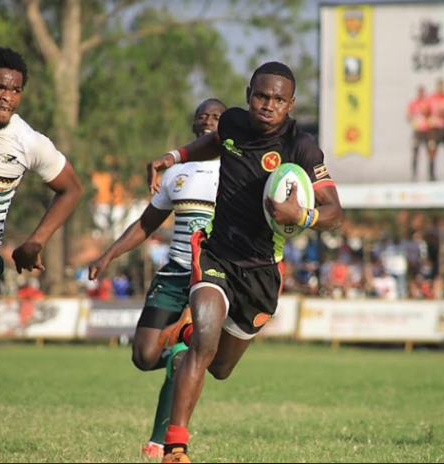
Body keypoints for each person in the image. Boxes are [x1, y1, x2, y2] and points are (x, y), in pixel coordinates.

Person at [147, 62, 343, 463]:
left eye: (278, 100)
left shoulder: (302, 147)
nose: (268, 105)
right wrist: (175, 156)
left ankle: (187, 337)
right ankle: (175, 448)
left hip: (262, 272)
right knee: (205, 342)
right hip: (217, 253)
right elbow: (215, 142)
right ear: (248, 94)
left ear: (291, 104)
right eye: (261, 96)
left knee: (220, 367)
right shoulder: (233, 122)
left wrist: (302, 215)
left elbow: (335, 211)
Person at [88, 99, 226, 459]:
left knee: (183, 360)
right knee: (144, 355)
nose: (209, 120)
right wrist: (108, 255)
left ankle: (161, 440)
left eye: (217, 117)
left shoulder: (234, 171)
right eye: (203, 116)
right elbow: (147, 224)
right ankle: (182, 347)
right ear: (194, 126)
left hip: (209, 279)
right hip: (173, 274)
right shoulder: (177, 174)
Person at [0, 46, 82, 294]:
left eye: (15, 91)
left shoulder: (28, 141)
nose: (7, 97)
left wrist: (36, 241)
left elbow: (71, 189)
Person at [426, 79, 444, 181]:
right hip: (434, 128)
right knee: (432, 151)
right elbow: (426, 112)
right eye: (439, 86)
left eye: (442, 86)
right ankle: (431, 175)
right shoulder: (431, 98)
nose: (441, 88)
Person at [407, 86, 430, 180]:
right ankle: (414, 175)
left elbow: (433, 114)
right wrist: (413, 121)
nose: (421, 94)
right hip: (417, 131)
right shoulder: (413, 103)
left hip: (427, 131)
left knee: (430, 152)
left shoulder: (428, 103)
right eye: (419, 92)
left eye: (422, 92)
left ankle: (430, 175)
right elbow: (408, 116)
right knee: (415, 152)